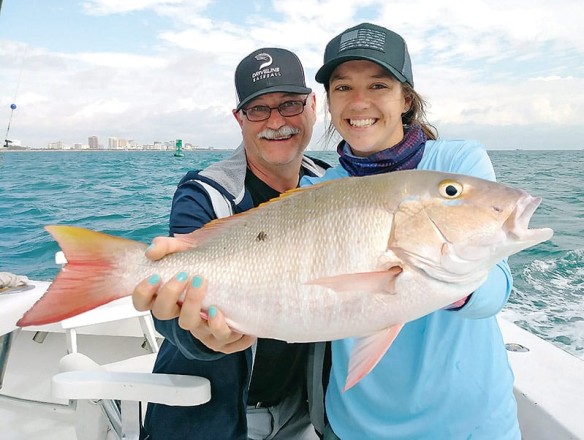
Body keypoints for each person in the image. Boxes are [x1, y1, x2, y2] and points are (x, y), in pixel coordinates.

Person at [299, 22, 520, 439]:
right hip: (355, 422)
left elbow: (495, 290)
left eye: (378, 85)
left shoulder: (457, 165)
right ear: (328, 102)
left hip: (471, 422)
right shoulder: (316, 189)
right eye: (343, 88)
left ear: (406, 98)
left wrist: (434, 274)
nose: (359, 101)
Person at [132, 47, 330, 440]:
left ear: (312, 105)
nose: (277, 122)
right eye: (258, 109)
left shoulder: (331, 184)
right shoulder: (205, 192)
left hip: (306, 411)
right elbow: (175, 303)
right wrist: (202, 337)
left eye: (289, 104)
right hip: (217, 414)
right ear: (239, 118)